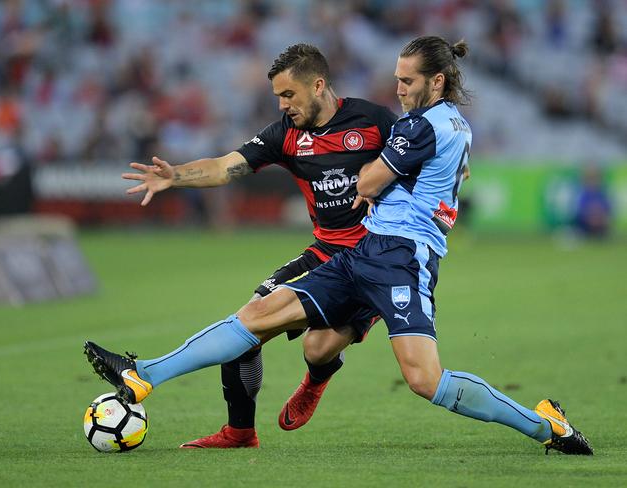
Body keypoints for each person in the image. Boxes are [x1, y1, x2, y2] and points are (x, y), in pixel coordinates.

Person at [86, 36, 592, 455]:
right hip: (359, 250)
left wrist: (377, 182)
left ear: (436, 80)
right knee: (260, 315)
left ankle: (544, 424)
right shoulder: (403, 125)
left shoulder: (409, 124)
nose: (398, 88)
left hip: (401, 259)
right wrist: (176, 176)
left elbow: (372, 181)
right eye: (397, 79)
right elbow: (230, 165)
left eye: (407, 80)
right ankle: (143, 374)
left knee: (424, 380)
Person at [120, 43, 398, 448]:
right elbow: (225, 166)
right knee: (247, 320)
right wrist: (175, 176)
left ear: (318, 85)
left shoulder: (373, 121)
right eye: (278, 97)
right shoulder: (286, 134)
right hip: (324, 252)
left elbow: (416, 161)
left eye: (289, 95)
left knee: (318, 348)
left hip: (372, 259)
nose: (283, 105)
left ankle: (314, 383)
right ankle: (239, 431)